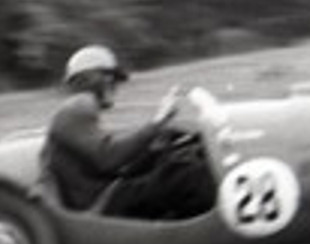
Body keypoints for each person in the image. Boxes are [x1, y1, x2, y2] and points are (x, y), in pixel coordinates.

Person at [39, 45, 213, 219]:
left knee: (173, 161)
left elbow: (107, 158)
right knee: (187, 176)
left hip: (103, 195)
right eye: (112, 79)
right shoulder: (77, 107)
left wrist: (157, 144)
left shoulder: (76, 110)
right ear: (95, 79)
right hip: (102, 202)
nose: (115, 87)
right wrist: (159, 121)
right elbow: (108, 158)